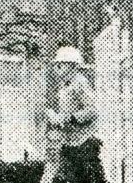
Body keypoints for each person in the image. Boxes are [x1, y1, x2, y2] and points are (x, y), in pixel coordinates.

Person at [46, 45, 106, 183]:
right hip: (70, 143)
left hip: (84, 143)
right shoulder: (64, 87)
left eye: (62, 64)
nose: (57, 68)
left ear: (73, 66)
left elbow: (93, 110)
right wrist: (56, 118)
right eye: (57, 65)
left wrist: (71, 118)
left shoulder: (80, 83)